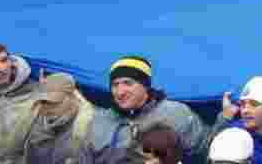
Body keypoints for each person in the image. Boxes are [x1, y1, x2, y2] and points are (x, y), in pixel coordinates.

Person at [79, 56, 209, 163]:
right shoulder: (99, 121)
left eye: (128, 83)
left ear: (145, 86)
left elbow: (205, 151)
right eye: (115, 85)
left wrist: (223, 119)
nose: (120, 92)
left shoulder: (176, 114)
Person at [24, 72, 95, 164]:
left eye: (54, 102)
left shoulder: (86, 128)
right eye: (43, 102)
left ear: (72, 97)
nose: (47, 108)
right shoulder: (35, 121)